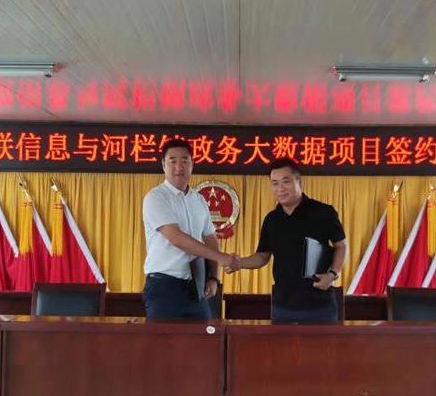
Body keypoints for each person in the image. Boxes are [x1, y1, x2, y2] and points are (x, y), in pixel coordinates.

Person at [226, 157, 347, 323]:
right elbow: (262, 256)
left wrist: (332, 275)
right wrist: (240, 263)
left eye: (285, 181)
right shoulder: (272, 219)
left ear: (299, 182)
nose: (280, 188)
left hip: (319, 306)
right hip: (283, 307)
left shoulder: (323, 212)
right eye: (274, 183)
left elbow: (341, 246)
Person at [142, 138, 235, 320]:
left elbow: (210, 238)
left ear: (192, 164)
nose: (179, 166)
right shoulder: (156, 197)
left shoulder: (199, 200)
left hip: (196, 287)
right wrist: (221, 257)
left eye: (185, 160)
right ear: (163, 165)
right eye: (173, 161)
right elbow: (177, 238)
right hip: (164, 287)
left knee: (204, 337)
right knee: (165, 339)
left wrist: (214, 278)